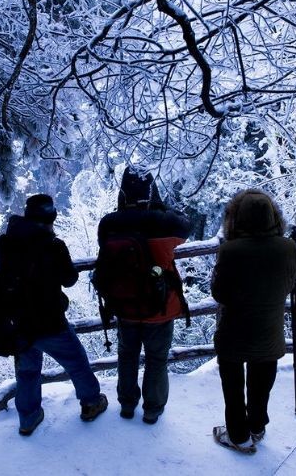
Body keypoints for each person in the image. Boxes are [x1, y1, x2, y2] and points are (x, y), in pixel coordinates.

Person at [0, 194, 107, 436]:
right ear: (50, 218)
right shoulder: (53, 245)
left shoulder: (5, 243)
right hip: (49, 321)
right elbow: (70, 278)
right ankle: (91, 402)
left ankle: (28, 418)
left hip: (18, 322)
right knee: (77, 362)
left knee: (27, 371)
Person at [97, 167, 190, 424]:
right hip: (159, 306)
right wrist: (158, 206)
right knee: (156, 359)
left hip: (123, 304)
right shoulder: (165, 222)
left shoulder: (109, 224)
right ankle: (152, 409)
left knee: (126, 356)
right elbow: (186, 225)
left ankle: (127, 405)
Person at [210, 189, 296, 454]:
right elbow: (289, 285)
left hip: (234, 332)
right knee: (261, 386)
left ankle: (238, 436)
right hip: (269, 332)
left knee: (233, 388)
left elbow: (219, 293)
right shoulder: (289, 248)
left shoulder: (230, 250)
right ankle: (257, 427)